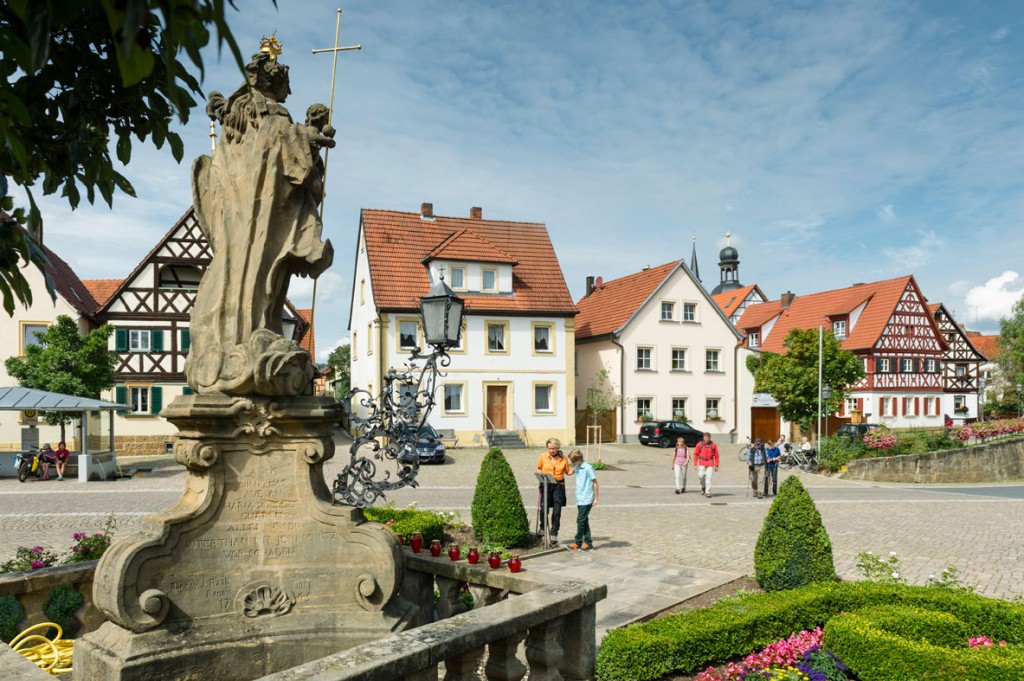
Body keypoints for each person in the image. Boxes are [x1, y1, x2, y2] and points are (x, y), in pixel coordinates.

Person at [536, 437, 573, 541]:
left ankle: (554, 533)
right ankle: (542, 527)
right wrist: (540, 474)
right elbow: (539, 468)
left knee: (557, 510)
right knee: (544, 509)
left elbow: (567, 471)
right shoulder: (543, 456)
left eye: (553, 449)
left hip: (558, 485)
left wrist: (576, 469)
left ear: (557, 448)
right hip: (546, 483)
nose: (551, 451)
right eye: (549, 448)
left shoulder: (563, 458)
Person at [567, 450, 598, 551]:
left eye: (574, 462)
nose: (572, 464)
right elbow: (569, 473)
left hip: (587, 498)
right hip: (580, 498)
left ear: (579, 459)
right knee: (584, 521)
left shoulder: (588, 468)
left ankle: (578, 542)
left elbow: (595, 483)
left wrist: (596, 498)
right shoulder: (578, 467)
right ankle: (588, 543)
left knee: (580, 520)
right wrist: (574, 467)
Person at [693, 432, 720, 498]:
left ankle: (708, 491)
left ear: (709, 438)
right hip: (702, 462)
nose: (706, 439)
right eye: (705, 437)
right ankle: (703, 486)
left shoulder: (713, 445)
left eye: (708, 438)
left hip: (710, 463)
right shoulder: (699, 444)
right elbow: (695, 454)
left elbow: (717, 456)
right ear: (703, 438)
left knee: (709, 477)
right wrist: (695, 464)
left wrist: (717, 465)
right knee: (700, 475)